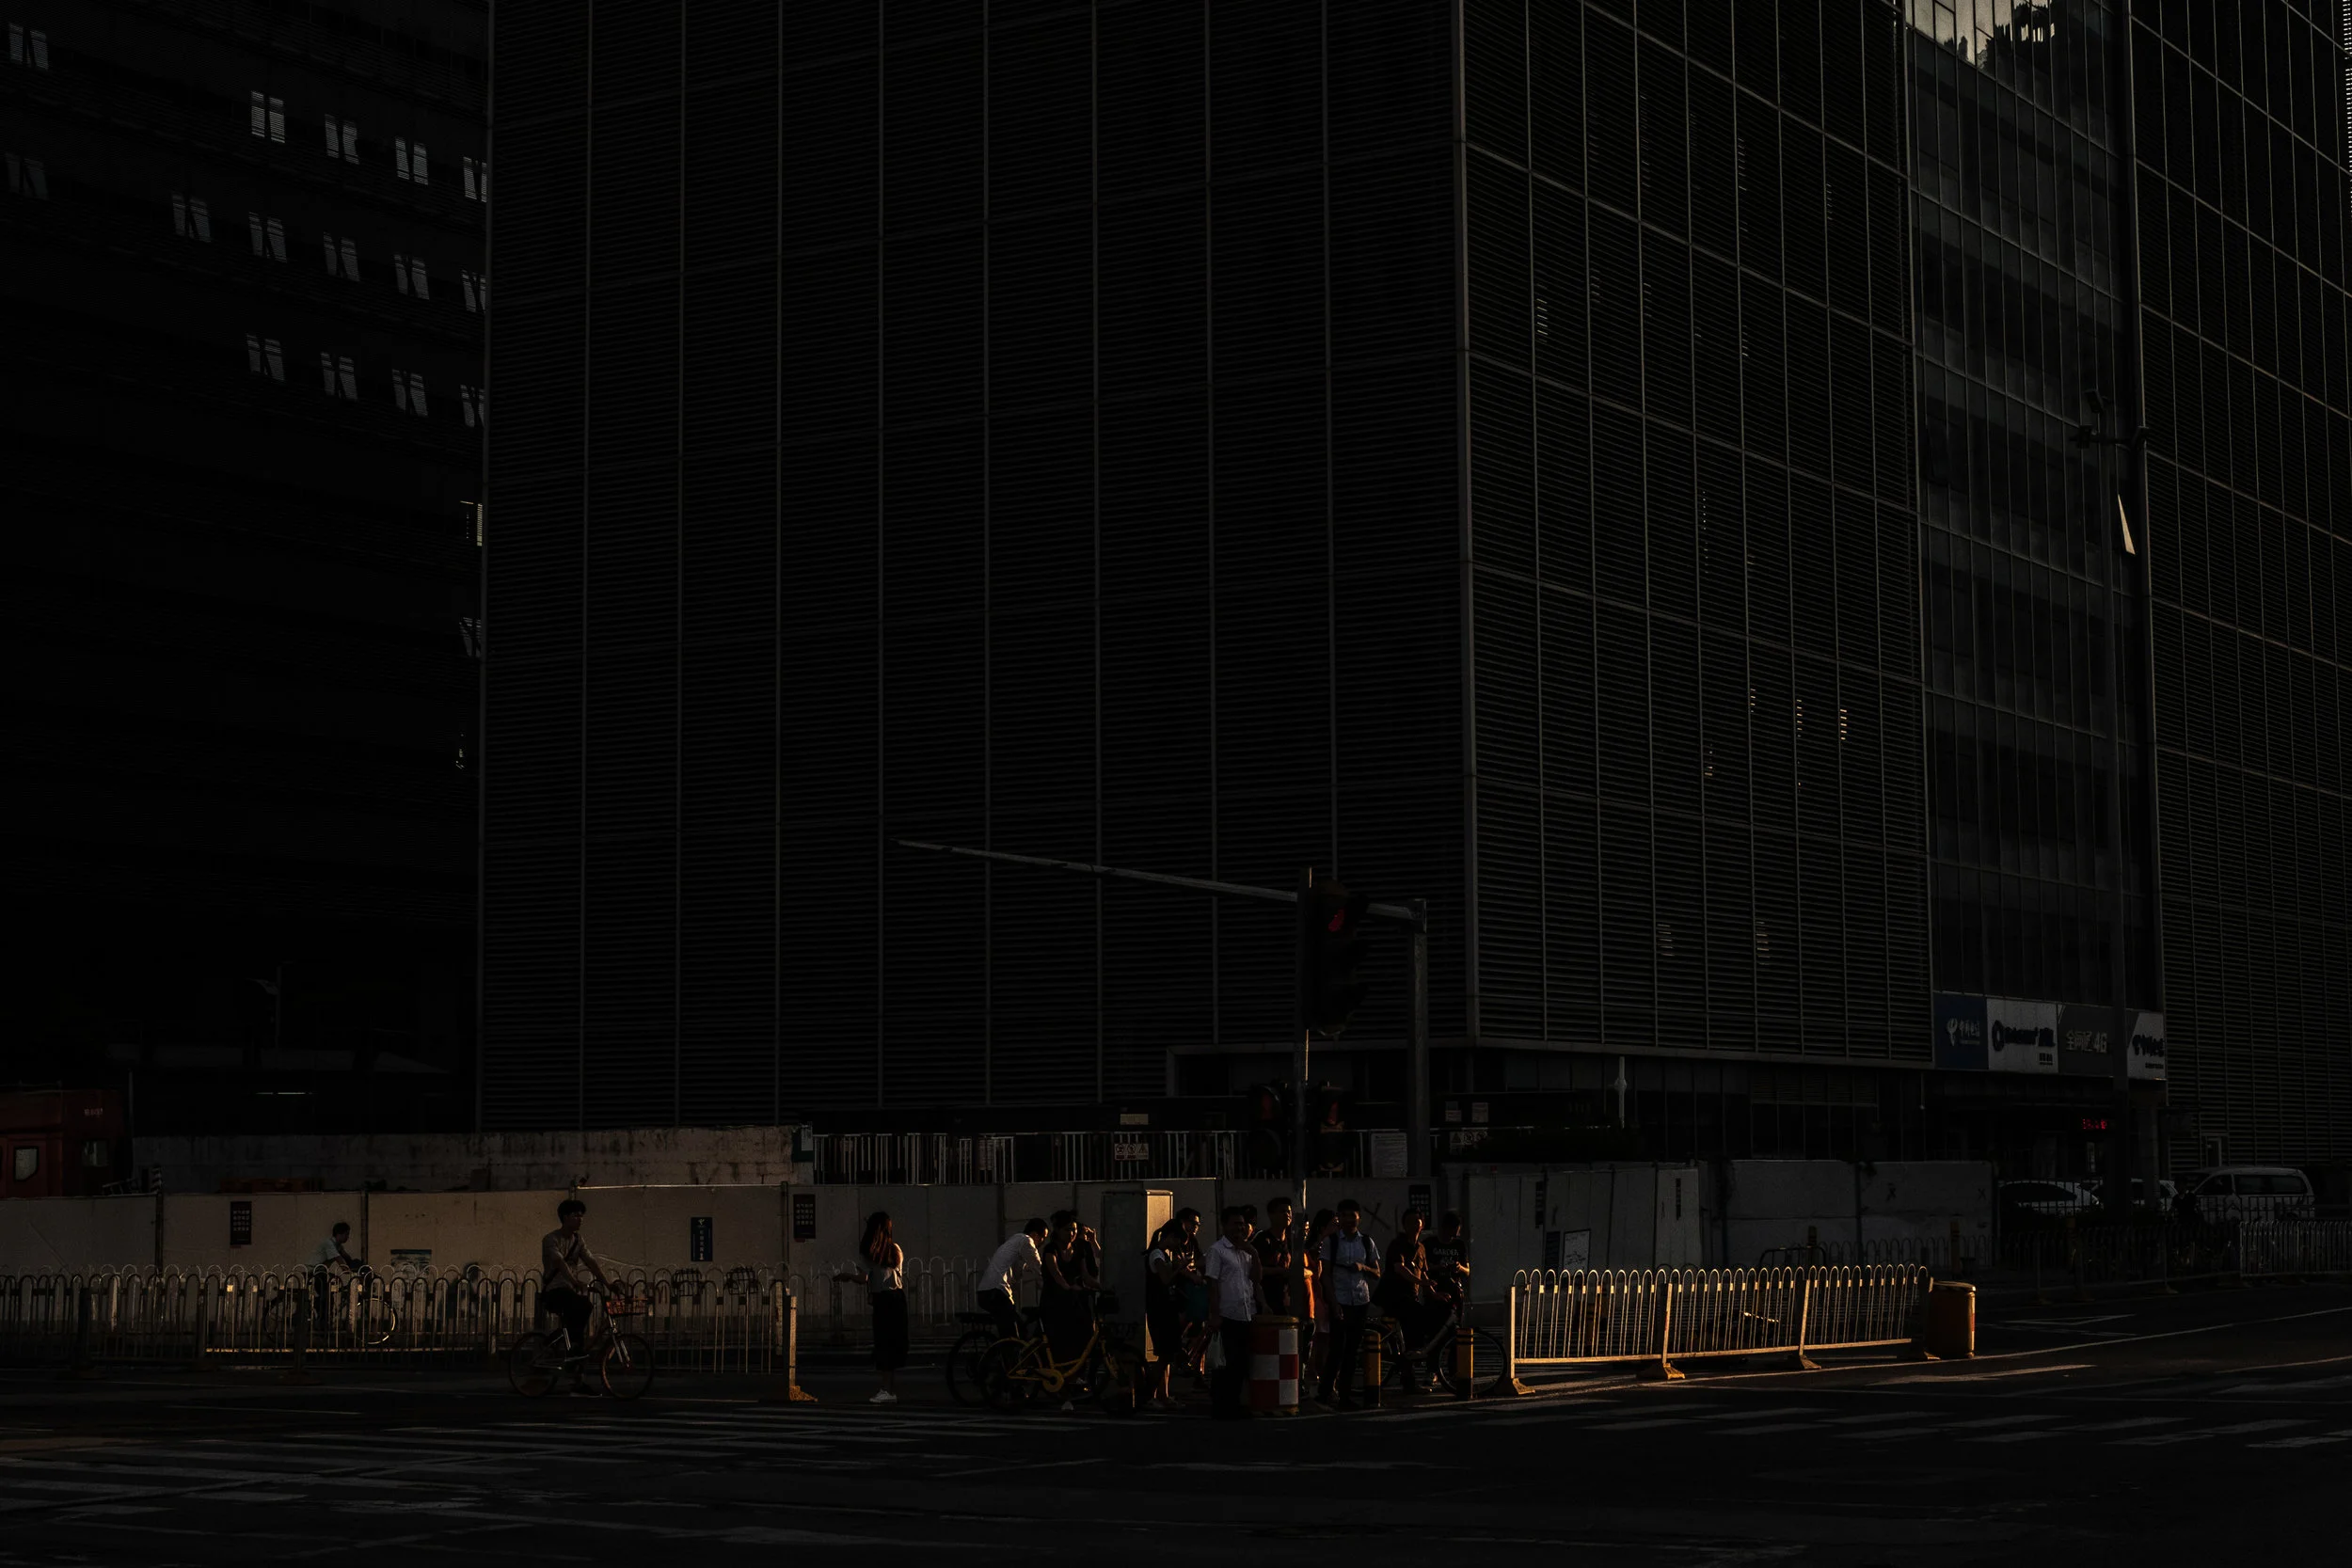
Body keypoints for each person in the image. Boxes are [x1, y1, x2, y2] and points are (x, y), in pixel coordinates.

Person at [540, 1198, 613, 1394]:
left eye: (581, 1216)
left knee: (579, 1339)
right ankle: (571, 1347)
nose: (580, 1219)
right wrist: (574, 1282)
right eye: (576, 1215)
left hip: (570, 1292)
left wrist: (608, 1284)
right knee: (584, 1306)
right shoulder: (551, 1239)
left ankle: (578, 1381)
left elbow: (591, 1261)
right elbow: (559, 1263)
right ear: (565, 1218)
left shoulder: (578, 1240)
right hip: (554, 1291)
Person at [834, 1212, 906, 1404]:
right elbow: (894, 1276)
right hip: (898, 1299)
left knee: (883, 1344)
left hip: (883, 1301)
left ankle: (886, 1390)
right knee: (893, 1344)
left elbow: (864, 1278)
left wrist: (847, 1276)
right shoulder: (895, 1250)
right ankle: (890, 1389)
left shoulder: (870, 1251)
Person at [1315, 1197, 1380, 1409]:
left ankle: (1344, 1396)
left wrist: (1363, 1267)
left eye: (1352, 1215)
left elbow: (1377, 1272)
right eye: (1344, 1215)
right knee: (1337, 1349)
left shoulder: (1366, 1242)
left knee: (1352, 1351)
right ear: (1339, 1218)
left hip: (1360, 1300)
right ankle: (1326, 1391)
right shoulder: (1331, 1242)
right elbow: (1325, 1275)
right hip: (1340, 1300)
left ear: (1359, 1218)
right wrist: (1333, 1303)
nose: (1348, 1219)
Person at [1202, 1206, 1262, 1420]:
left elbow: (1256, 1278)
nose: (1240, 1228)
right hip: (1227, 1314)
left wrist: (1253, 1253)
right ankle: (1221, 1405)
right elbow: (1212, 1284)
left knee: (1241, 1362)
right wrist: (1215, 1314)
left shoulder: (1246, 1251)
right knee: (1226, 1362)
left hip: (1246, 1313)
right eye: (1235, 1224)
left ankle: (1235, 1403)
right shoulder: (1217, 1250)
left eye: (1242, 1224)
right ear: (1224, 1225)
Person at [1142, 1211, 1201, 1412]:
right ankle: (1147, 1395)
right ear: (1170, 1237)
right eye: (1177, 1241)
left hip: (1164, 1310)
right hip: (1159, 1311)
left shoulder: (1162, 1254)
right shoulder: (1156, 1255)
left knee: (1166, 1356)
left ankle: (1162, 1395)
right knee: (1165, 1356)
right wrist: (1179, 1267)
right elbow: (1166, 1279)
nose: (1178, 1246)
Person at [1380, 1211, 1443, 1391]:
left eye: (1417, 1221)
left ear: (1422, 1225)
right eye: (1410, 1222)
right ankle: (1412, 1363)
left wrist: (1434, 1293)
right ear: (1404, 1225)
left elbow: (1423, 1273)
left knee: (1412, 1335)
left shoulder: (1421, 1248)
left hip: (1411, 1296)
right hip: (1395, 1296)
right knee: (1418, 1323)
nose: (1415, 1225)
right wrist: (1422, 1282)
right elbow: (1400, 1269)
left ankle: (1409, 1378)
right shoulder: (1397, 1245)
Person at [978, 1218, 1046, 1341]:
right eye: (1043, 1238)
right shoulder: (1026, 1240)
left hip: (986, 1292)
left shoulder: (1014, 1241)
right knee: (1013, 1335)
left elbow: (1018, 1273)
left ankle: (1009, 1350)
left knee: (1016, 1328)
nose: (1042, 1242)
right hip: (997, 1292)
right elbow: (1038, 1267)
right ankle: (1010, 1352)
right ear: (1035, 1234)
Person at [310, 1220, 360, 1332]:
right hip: (313, 1272)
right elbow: (340, 1260)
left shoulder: (338, 1246)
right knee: (326, 1298)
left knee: (327, 1295)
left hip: (321, 1271)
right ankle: (321, 1324)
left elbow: (347, 1258)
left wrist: (356, 1265)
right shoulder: (329, 1244)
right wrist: (347, 1270)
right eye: (346, 1234)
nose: (348, 1237)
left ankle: (323, 1320)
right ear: (339, 1234)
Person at [1423, 1211, 1471, 1324]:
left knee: (1454, 1323)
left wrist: (1459, 1267)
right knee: (1435, 1322)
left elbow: (1467, 1271)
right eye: (1455, 1228)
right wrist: (1436, 1267)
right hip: (1435, 1288)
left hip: (1454, 1289)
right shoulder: (1429, 1243)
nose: (1457, 1231)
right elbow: (1421, 1267)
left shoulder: (1459, 1245)